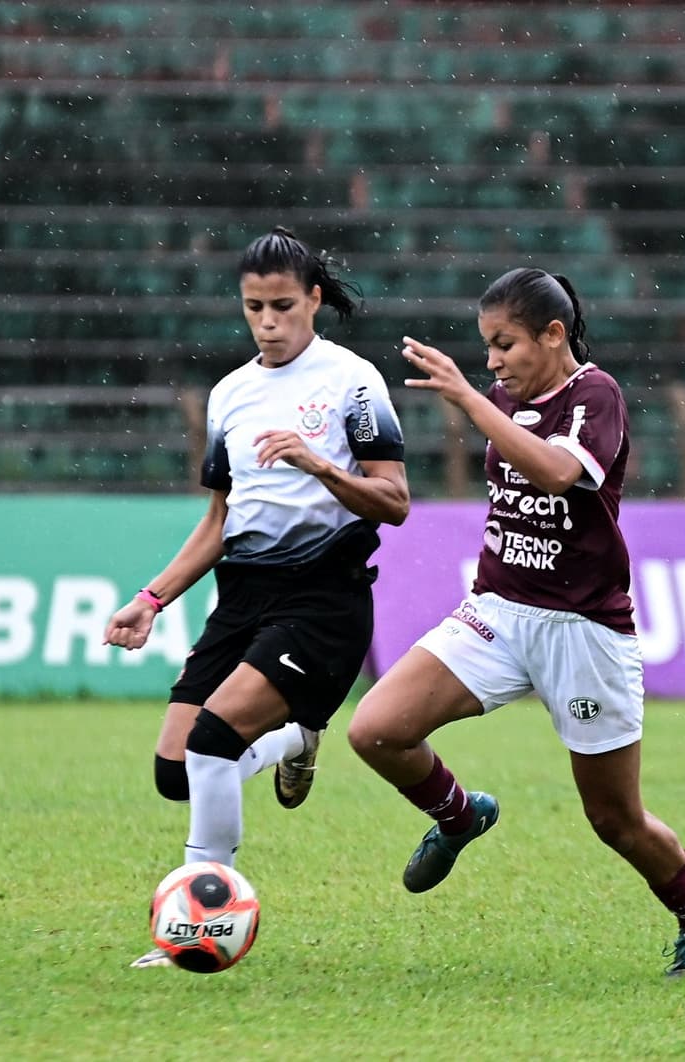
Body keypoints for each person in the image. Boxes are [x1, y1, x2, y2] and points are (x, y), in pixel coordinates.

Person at [347, 267, 685, 977]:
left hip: (583, 630)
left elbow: (558, 473)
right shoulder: (502, 398)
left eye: (505, 344)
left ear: (554, 335)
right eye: (486, 348)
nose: (493, 362)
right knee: (375, 730)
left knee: (614, 819)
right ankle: (460, 814)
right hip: (497, 610)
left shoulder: (596, 394)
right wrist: (480, 400)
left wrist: (468, 398)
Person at [104, 226, 409, 968]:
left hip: (324, 597)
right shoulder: (230, 395)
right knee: (175, 772)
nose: (268, 323)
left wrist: (318, 465)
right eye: (253, 308)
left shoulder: (353, 382)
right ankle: (295, 740)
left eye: (282, 306)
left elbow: (395, 501)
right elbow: (219, 520)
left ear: (313, 299)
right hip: (242, 596)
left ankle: (201, 923)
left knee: (213, 743)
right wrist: (152, 598)